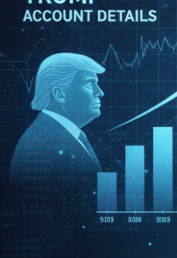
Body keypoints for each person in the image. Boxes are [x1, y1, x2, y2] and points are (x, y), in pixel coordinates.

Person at [8, 53, 105, 217]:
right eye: (89, 84)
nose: (100, 92)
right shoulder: (42, 143)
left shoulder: (54, 135)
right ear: (59, 94)